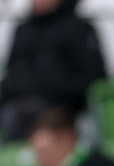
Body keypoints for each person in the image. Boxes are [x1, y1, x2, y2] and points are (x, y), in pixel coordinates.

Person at [0, 0, 107, 141]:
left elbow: (94, 79)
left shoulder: (79, 29)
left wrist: (49, 87)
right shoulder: (23, 30)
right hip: (18, 101)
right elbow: (11, 74)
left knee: (17, 115)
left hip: (60, 107)